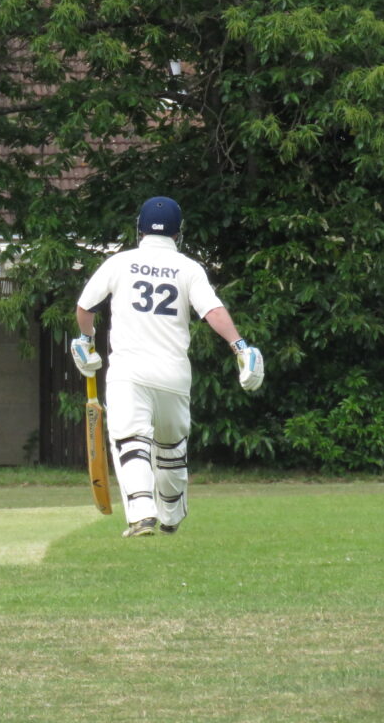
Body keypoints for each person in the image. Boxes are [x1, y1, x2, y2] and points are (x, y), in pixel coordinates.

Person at [71, 196, 264, 537]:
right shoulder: (188, 268)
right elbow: (213, 312)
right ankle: (171, 517)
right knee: (172, 450)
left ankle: (142, 513)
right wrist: (240, 347)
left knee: (131, 441)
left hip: (129, 371)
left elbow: (85, 308)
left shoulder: (120, 263)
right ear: (178, 234)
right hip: (174, 374)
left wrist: (86, 342)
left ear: (139, 230)